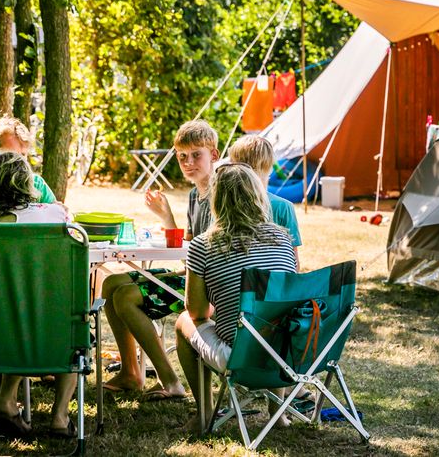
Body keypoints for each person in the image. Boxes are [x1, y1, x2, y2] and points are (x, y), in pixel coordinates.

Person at [99, 120, 221, 396]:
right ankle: (130, 372)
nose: (188, 163)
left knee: (126, 296)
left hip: (208, 288)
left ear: (213, 155)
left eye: (196, 155)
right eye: (182, 157)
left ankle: (170, 381)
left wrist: (183, 271)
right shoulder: (194, 194)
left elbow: (210, 252)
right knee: (111, 283)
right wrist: (166, 216)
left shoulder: (219, 194)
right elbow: (189, 243)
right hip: (192, 274)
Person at [175, 163, 297, 429]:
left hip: (240, 357)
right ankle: (279, 414)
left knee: (184, 320)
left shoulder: (203, 245)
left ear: (216, 200)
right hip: (291, 355)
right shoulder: (283, 238)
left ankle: (204, 413)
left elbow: (197, 312)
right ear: (258, 195)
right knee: (272, 318)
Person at [0, 150, 73, 436]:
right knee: (68, 321)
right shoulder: (55, 214)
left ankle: (5, 399)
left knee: (16, 311)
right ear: (26, 180)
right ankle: (59, 418)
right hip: (55, 327)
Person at [227, 135, 302, 268]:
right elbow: (294, 264)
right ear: (270, 167)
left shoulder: (224, 202)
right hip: (272, 285)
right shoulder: (284, 207)